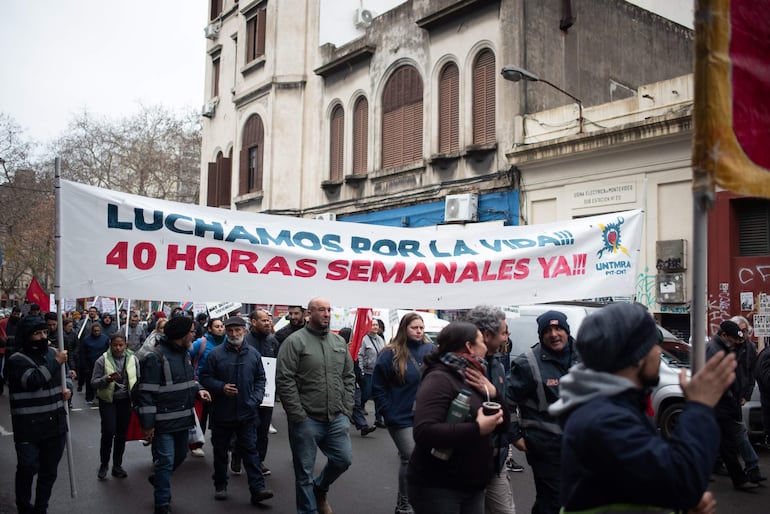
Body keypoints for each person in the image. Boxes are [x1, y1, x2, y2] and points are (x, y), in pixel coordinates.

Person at [550, 302, 737, 512]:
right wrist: (700, 406)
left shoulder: (610, 408)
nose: (658, 352)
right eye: (653, 344)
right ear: (638, 356)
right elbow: (682, 480)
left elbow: (639, 490)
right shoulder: (602, 420)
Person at [407, 321, 507, 514]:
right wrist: (477, 428)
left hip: (472, 486)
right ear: (469, 346)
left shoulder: (475, 376)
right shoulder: (440, 378)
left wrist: (494, 394)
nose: (486, 346)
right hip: (439, 487)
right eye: (481, 342)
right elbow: (423, 431)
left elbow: (504, 426)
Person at [276, 297, 355, 514]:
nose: (327, 314)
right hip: (306, 419)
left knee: (343, 459)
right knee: (304, 473)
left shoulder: (339, 342)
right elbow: (285, 379)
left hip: (336, 416)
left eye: (329, 309)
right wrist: (297, 414)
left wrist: (346, 409)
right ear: (309, 314)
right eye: (321, 310)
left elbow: (349, 376)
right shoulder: (294, 342)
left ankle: (320, 488)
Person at [135, 314, 212, 514]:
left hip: (183, 419)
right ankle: (162, 503)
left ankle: (161, 477)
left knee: (179, 456)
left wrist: (198, 389)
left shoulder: (184, 355)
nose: (194, 335)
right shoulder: (154, 358)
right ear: (182, 334)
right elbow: (146, 394)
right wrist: (148, 425)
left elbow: (188, 381)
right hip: (163, 423)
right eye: (192, 332)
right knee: (167, 460)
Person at [506, 310, 578, 514]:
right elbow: (507, 402)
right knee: (555, 502)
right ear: (540, 335)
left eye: (558, 328)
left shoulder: (586, 356)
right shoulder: (527, 363)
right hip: (546, 448)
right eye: (548, 330)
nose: (554, 334)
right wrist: (515, 436)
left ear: (567, 330)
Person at [199, 316, 274, 505]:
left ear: (245, 331)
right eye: (230, 330)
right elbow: (205, 377)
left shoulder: (254, 355)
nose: (234, 334)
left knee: (250, 450)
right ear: (226, 331)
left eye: (238, 330)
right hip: (221, 413)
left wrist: (255, 400)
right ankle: (220, 485)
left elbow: (260, 379)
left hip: (247, 412)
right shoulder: (215, 354)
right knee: (221, 451)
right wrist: (221, 387)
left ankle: (258, 488)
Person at [6, 315, 73, 513]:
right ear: (27, 336)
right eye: (37, 333)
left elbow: (66, 377)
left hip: (55, 426)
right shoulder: (16, 360)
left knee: (48, 472)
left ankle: (41, 508)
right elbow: (33, 380)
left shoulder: (54, 352)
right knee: (28, 467)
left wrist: (67, 389)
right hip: (29, 427)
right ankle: (24, 506)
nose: (43, 336)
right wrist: (56, 362)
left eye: (45, 332)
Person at [372, 312, 436, 514]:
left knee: (423, 460)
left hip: (426, 416)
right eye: (414, 327)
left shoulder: (431, 350)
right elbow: (378, 385)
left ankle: (414, 501)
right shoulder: (390, 353)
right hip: (399, 417)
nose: (419, 331)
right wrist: (386, 411)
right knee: (410, 457)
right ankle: (404, 506)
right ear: (404, 329)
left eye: (421, 328)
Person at [466, 305, 516, 514]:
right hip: (467, 463)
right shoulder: (459, 367)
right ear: (486, 335)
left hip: (497, 461)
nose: (506, 338)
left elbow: (505, 410)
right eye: (503, 333)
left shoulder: (498, 365)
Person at [706, 320, 764, 489]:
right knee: (729, 440)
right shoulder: (714, 350)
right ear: (724, 335)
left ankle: (741, 476)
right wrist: (730, 396)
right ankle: (743, 476)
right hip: (721, 402)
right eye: (733, 339)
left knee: (724, 441)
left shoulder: (726, 348)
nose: (736, 343)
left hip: (727, 401)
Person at [91, 333, 140, 480]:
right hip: (108, 401)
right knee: (108, 431)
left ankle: (117, 465)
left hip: (126, 401)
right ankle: (104, 464)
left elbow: (138, 379)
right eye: (115, 345)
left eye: (121, 345)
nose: (118, 348)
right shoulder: (102, 360)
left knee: (121, 434)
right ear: (110, 345)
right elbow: (94, 382)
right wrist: (107, 379)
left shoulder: (133, 359)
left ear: (126, 345)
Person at [244, 309, 281, 475]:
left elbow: (278, 365)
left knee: (263, 430)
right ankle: (238, 454)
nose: (268, 323)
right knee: (245, 428)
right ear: (253, 322)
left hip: (267, 394)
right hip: (248, 393)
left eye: (269, 320)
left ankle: (259, 461)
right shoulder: (245, 341)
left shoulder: (273, 341)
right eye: (264, 320)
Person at [189, 317, 226, 451]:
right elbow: (187, 354)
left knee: (219, 416)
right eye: (216, 326)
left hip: (220, 385)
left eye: (222, 326)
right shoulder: (201, 343)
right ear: (209, 329)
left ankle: (220, 444)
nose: (220, 328)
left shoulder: (228, 342)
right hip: (203, 385)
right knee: (202, 416)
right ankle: (197, 444)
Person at [341, 326, 377, 437]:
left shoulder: (354, 350)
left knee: (356, 403)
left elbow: (356, 366)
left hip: (353, 381)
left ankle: (363, 426)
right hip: (341, 382)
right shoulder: (338, 350)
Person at [358, 318, 385, 425]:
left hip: (379, 373)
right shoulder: (364, 339)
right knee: (366, 394)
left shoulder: (380, 339)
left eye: (376, 325)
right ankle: (357, 410)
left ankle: (379, 419)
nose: (375, 327)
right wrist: (361, 371)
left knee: (379, 396)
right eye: (373, 325)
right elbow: (360, 355)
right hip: (367, 372)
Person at [80, 323, 110, 405]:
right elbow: (83, 354)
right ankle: (89, 397)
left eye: (98, 331)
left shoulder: (105, 339)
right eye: (95, 331)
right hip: (90, 363)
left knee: (102, 380)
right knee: (90, 381)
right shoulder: (86, 340)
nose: (96, 332)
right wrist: (84, 366)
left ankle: (100, 395)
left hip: (102, 363)